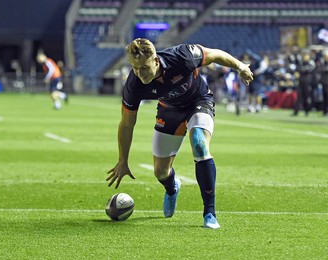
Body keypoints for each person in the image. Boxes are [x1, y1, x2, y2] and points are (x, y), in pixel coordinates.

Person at [106, 38, 253, 229]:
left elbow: (216, 54)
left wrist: (241, 67)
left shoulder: (182, 56)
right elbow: (126, 124)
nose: (139, 73)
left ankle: (210, 213)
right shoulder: (134, 85)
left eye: (144, 67)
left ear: (156, 61)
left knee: (199, 144)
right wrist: (123, 161)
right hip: (169, 110)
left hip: (198, 101)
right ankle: (172, 187)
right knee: (160, 172)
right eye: (135, 68)